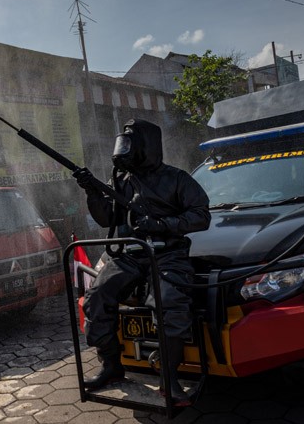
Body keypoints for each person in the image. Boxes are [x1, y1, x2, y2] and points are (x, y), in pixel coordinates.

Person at [73, 119, 211, 406]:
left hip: (168, 254)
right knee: (96, 298)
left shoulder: (177, 178)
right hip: (130, 256)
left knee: (169, 300)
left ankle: (169, 378)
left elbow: (201, 216)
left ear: (146, 147)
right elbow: (106, 220)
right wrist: (92, 192)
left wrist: (162, 224)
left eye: (131, 144)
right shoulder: (120, 181)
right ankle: (112, 366)